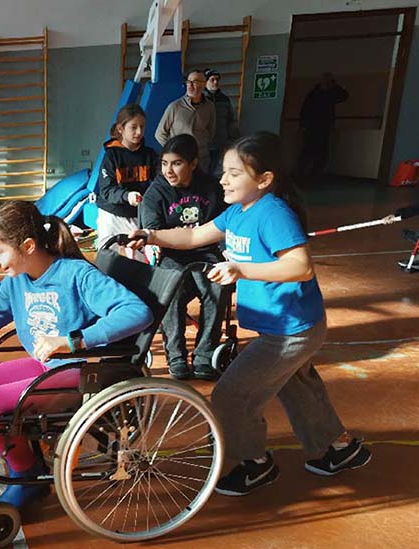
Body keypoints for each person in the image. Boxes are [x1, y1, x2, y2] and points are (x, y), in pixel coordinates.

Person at [128, 131, 371, 497]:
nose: (223, 179)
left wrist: (242, 270)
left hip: (291, 330)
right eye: (223, 171)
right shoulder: (239, 213)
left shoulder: (273, 213)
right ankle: (340, 448)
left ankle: (254, 463)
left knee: (231, 395)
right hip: (283, 325)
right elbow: (195, 237)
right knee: (297, 388)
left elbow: (300, 266)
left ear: (264, 179)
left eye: (234, 173)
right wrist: (151, 236)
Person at [0, 200, 153, 509]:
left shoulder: (76, 275)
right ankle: (24, 460)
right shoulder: (16, 283)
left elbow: (136, 312)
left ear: (28, 246)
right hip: (48, 367)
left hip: (81, 373)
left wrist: (75, 341)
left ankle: (26, 474)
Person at [139, 134, 227, 380]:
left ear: (193, 164)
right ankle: (176, 356)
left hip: (206, 252)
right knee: (173, 290)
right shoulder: (155, 194)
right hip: (172, 256)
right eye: (165, 164)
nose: (169, 170)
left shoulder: (211, 188)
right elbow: (153, 233)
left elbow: (224, 225)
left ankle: (204, 355)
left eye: (176, 163)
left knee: (217, 289)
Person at [94, 104, 157, 247]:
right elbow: (107, 190)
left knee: (138, 257)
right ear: (120, 129)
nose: (139, 132)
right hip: (112, 214)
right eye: (133, 127)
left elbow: (159, 183)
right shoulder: (111, 156)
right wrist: (127, 196)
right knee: (109, 255)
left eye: (142, 126)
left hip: (137, 214)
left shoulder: (150, 155)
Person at [155, 69, 217, 171]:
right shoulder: (175, 106)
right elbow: (159, 134)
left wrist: (202, 145)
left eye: (195, 82)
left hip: (201, 158)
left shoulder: (210, 107)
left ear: (204, 84)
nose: (190, 85)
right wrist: (174, 150)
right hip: (180, 160)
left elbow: (211, 131)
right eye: (188, 82)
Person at [297, 73, 348, 180]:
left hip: (324, 126)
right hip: (312, 126)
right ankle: (299, 174)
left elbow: (344, 96)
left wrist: (335, 85)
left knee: (321, 153)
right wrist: (302, 125)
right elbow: (305, 109)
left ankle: (313, 175)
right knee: (308, 151)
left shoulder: (331, 93)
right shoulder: (314, 94)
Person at [202, 68, 240, 176]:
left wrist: (232, 140)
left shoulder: (224, 99)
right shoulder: (200, 99)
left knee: (214, 170)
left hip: (219, 142)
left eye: (217, 80)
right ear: (205, 82)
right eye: (212, 79)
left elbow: (231, 120)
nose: (215, 82)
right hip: (203, 144)